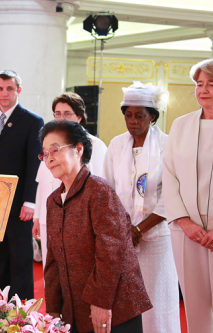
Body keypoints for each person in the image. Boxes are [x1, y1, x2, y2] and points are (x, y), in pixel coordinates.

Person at [41, 120, 152, 333]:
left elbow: (111, 252)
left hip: (114, 309)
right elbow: (53, 259)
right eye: (45, 153)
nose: (49, 158)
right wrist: (53, 309)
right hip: (76, 309)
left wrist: (102, 302)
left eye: (55, 150)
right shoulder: (53, 201)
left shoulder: (99, 191)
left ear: (78, 149)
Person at [103, 82, 180, 333]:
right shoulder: (116, 145)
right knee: (127, 302)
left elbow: (170, 195)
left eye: (140, 115)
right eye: (128, 115)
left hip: (157, 239)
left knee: (158, 301)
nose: (133, 120)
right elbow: (108, 190)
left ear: (153, 116)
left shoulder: (168, 145)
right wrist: (124, 229)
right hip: (122, 238)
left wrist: (139, 229)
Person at [163, 57, 213, 333]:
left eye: (212, 84)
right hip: (187, 232)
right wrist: (184, 222)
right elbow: (169, 174)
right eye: (199, 84)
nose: (203, 89)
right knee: (195, 306)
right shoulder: (181, 125)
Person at [0, 69, 44, 300]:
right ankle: (0, 306)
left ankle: (22, 312)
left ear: (18, 91)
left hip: (19, 206)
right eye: (0, 88)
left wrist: (30, 201)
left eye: (9, 88)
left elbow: (35, 164)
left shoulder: (33, 121)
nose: (4, 93)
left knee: (20, 259)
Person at [32, 93, 107, 269]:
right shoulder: (49, 143)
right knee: (49, 268)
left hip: (78, 218)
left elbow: (103, 182)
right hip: (48, 215)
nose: (61, 118)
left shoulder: (95, 145)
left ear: (79, 117)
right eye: (57, 114)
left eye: (67, 113)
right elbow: (42, 183)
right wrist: (37, 216)